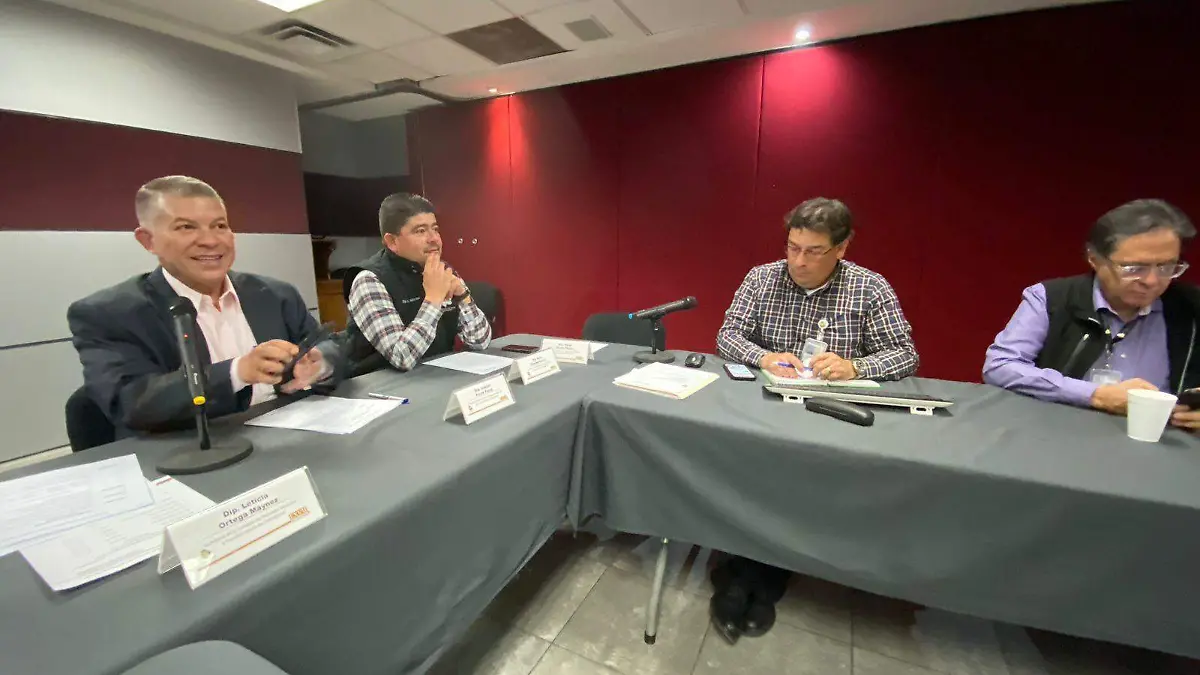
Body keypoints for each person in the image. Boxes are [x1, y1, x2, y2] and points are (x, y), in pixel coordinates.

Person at [710, 197, 918, 644]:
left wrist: (855, 366)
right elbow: (727, 336)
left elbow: (905, 355)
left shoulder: (869, 288)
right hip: (761, 411)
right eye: (792, 247)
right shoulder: (761, 278)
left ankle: (761, 575)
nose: (799, 261)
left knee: (798, 482)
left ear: (841, 248)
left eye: (813, 251)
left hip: (830, 417)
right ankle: (746, 570)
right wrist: (764, 356)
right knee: (742, 472)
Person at [68, 176, 343, 439]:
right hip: (188, 452)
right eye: (186, 227)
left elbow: (330, 346)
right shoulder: (108, 314)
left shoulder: (275, 294)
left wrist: (320, 363)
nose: (211, 240)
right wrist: (238, 372)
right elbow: (131, 401)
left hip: (292, 435)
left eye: (220, 226)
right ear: (148, 240)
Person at [983, 199, 1200, 429]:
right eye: (1135, 268)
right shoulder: (1053, 299)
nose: (1152, 281)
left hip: (1160, 438)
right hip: (1058, 431)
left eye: (1166, 267)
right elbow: (1000, 366)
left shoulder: (1192, 307)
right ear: (1095, 260)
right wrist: (1095, 395)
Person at [342, 193, 491, 374]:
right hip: (383, 385)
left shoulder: (441, 270)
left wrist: (462, 295)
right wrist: (433, 300)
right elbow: (401, 357)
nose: (434, 239)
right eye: (420, 231)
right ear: (392, 241)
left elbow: (480, 341)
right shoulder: (368, 281)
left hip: (436, 377)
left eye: (435, 229)